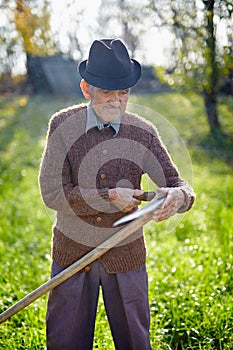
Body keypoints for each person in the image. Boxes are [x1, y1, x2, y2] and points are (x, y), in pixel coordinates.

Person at [39, 38, 195, 350]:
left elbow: (180, 184)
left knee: (135, 341)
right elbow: (52, 193)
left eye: (123, 93)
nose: (116, 101)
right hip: (72, 253)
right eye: (107, 93)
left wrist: (179, 198)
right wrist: (108, 196)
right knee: (64, 341)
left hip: (127, 256)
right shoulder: (62, 124)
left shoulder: (144, 131)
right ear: (87, 89)